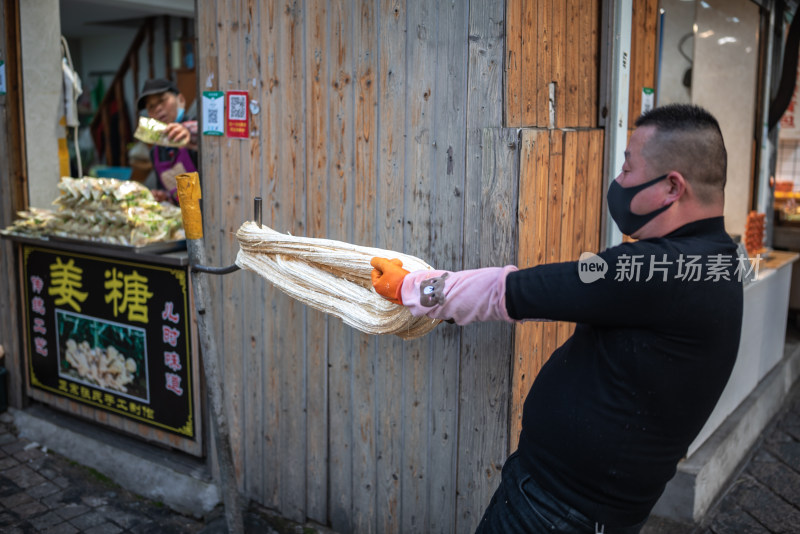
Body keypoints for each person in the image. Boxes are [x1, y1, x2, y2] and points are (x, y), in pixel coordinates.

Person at [370, 104, 744, 533]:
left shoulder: (660, 270)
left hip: (555, 514)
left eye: (627, 168)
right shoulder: (713, 260)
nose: (618, 182)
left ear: (672, 187)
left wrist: (413, 288)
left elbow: (516, 292)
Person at [136, 78, 198, 203]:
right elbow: (171, 195)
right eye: (151, 106)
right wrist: (164, 196)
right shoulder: (156, 152)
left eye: (162, 100)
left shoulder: (196, 130)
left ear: (180, 100)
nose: (158, 108)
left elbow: (206, 134)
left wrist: (189, 133)